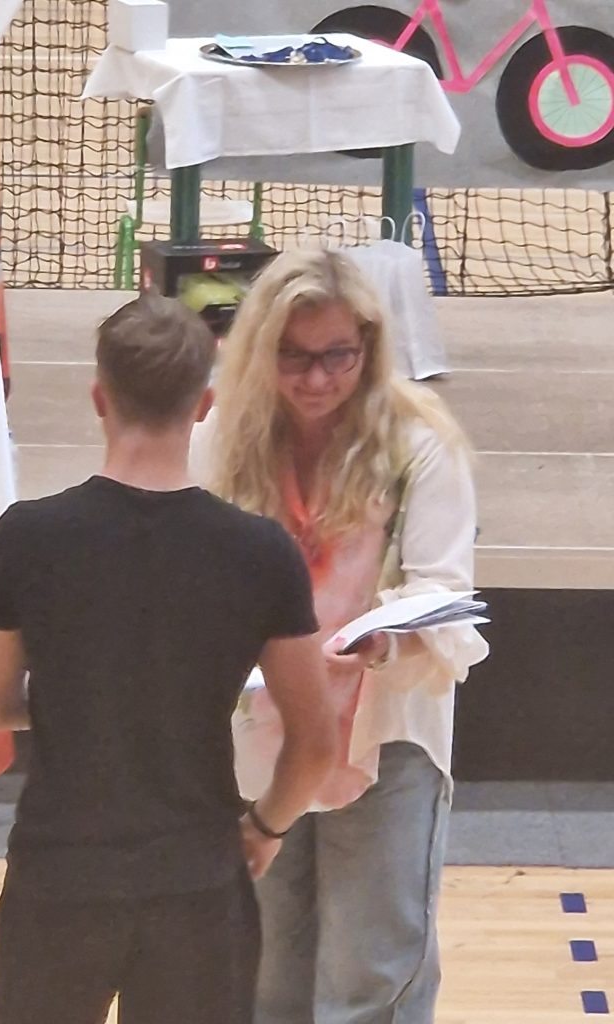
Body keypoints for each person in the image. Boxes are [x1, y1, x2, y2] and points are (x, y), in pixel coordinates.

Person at [0, 293, 338, 1024]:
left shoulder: (26, 536)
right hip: (198, 884)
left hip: (59, 878)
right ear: (204, 406)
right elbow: (317, 742)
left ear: (99, 399)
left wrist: (79, 695)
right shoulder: (260, 552)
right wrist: (266, 828)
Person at [192, 249, 489, 1024]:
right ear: (260, 348)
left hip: (382, 735)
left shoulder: (420, 442)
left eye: (338, 357)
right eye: (294, 357)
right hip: (264, 735)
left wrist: (386, 642)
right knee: (265, 970)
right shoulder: (223, 436)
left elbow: (444, 591)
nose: (317, 379)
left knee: (371, 973)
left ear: (370, 347)